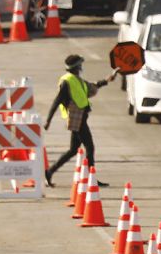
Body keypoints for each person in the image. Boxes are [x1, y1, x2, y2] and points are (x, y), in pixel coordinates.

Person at [43, 54, 116, 188]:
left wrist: (107, 80)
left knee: (73, 150)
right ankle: (91, 178)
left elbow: (91, 87)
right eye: (80, 65)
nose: (81, 67)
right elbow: (56, 101)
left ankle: (49, 172)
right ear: (76, 67)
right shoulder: (67, 82)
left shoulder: (76, 80)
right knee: (90, 146)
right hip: (77, 119)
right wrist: (48, 120)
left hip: (80, 118)